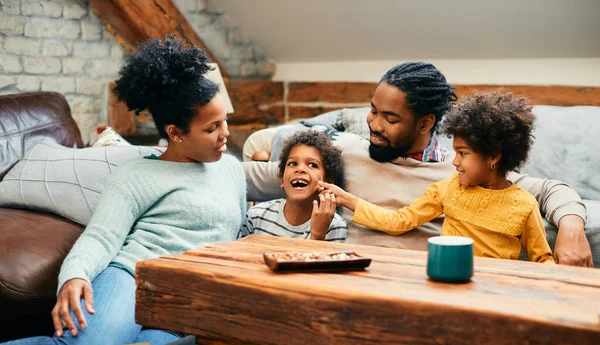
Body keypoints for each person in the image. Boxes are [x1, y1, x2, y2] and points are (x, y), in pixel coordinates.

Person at [0, 36, 246, 345]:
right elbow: (100, 237)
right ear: (176, 133)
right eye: (211, 128)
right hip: (129, 279)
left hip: (183, 299)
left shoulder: (232, 170)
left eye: (224, 121)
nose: (225, 134)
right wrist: (74, 277)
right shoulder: (138, 174)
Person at [242, 62, 593, 267]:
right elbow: (261, 177)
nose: (374, 125)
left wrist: (572, 228)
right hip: (353, 279)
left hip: (427, 284)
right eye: (373, 110)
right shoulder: (344, 153)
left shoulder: (461, 171)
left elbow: (548, 189)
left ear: (425, 124)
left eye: (390, 118)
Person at [320, 92, 555, 263]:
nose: (454, 161)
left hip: (498, 288)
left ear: (493, 157)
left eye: (463, 153)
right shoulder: (446, 189)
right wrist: (346, 199)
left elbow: (542, 259)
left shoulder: (525, 205)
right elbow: (398, 222)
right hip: (447, 279)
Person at [240, 129, 347, 242]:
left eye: (312, 165)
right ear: (282, 180)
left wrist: (318, 235)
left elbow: (320, 259)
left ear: (328, 183)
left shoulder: (334, 225)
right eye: (293, 164)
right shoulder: (255, 216)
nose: (300, 169)